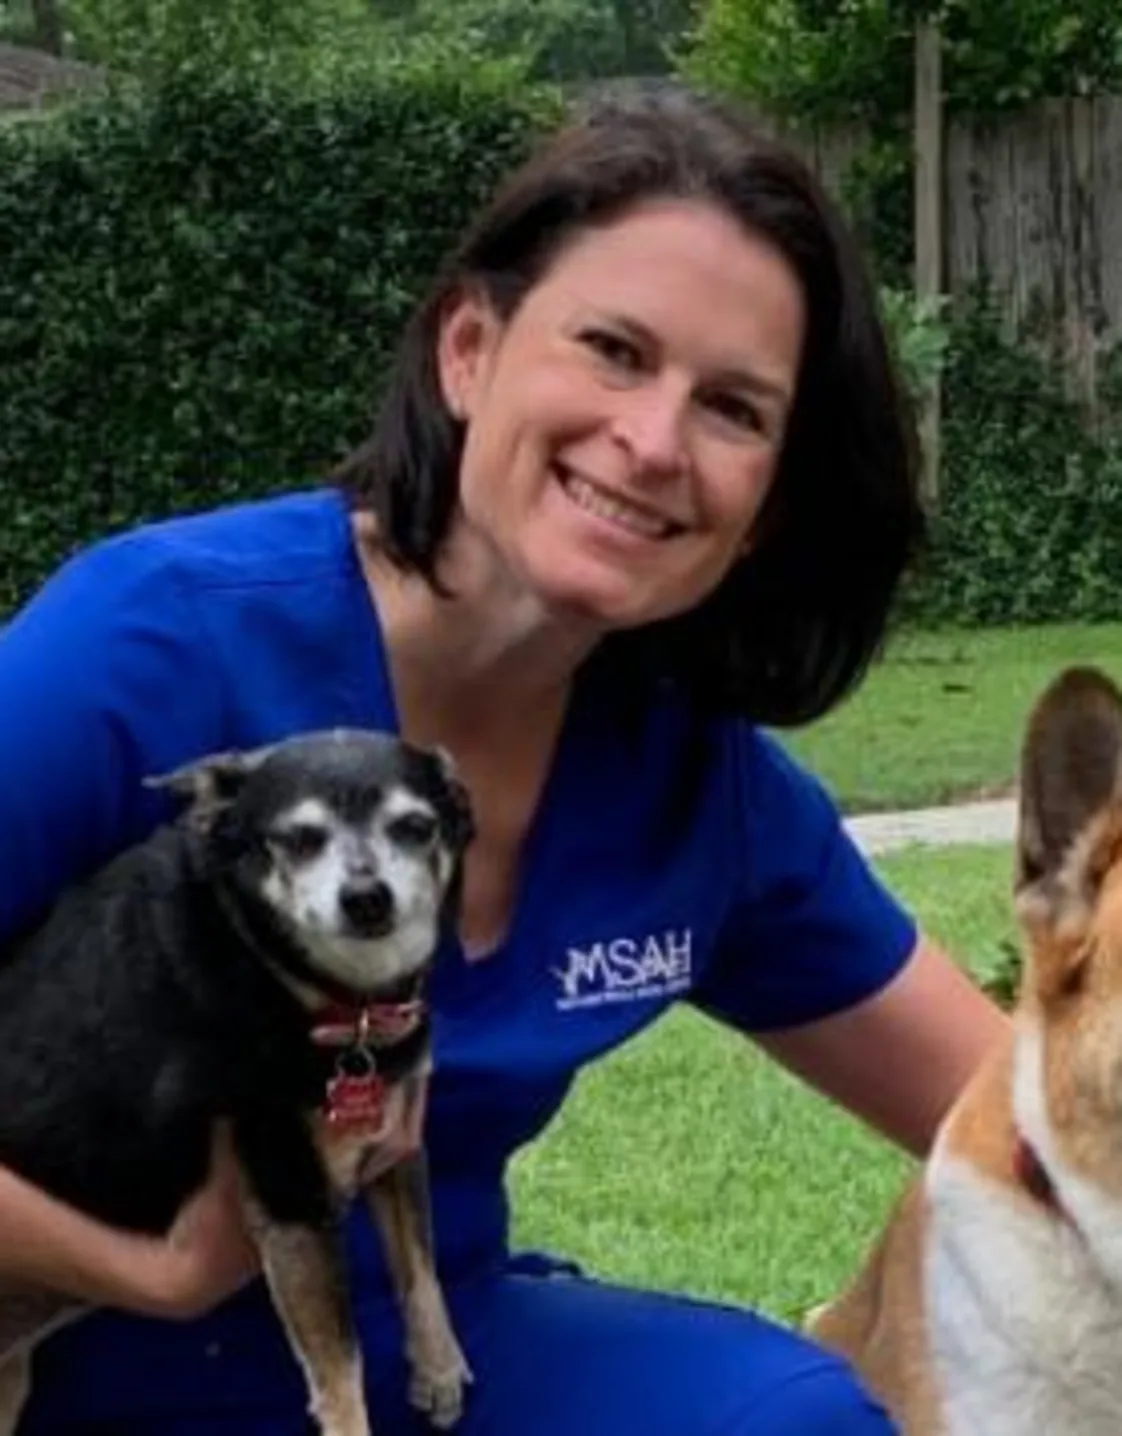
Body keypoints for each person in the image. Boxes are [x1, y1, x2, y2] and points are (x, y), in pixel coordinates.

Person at [0, 83, 1004, 1434]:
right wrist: (144, 1272)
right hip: (53, 1362)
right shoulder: (148, 646)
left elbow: (1022, 1114)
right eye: (611, 349)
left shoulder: (694, 786)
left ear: (766, 503)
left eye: (733, 410)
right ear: (468, 349)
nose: (651, 444)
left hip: (426, 1344)